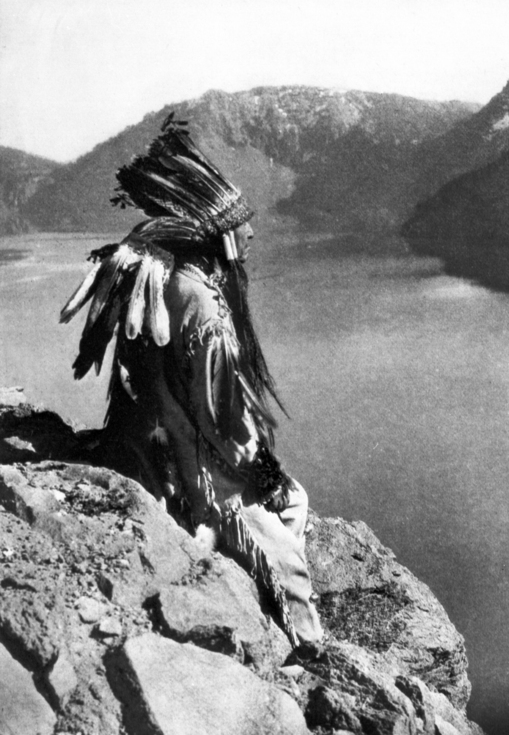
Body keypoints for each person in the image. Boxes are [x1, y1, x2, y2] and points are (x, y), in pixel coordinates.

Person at [60, 114, 323, 647]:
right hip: (204, 479)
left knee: (295, 501)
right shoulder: (201, 306)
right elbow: (218, 419)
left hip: (169, 453)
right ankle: (303, 651)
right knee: (289, 558)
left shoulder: (178, 283)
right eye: (240, 223)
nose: (249, 231)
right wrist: (260, 471)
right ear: (216, 233)